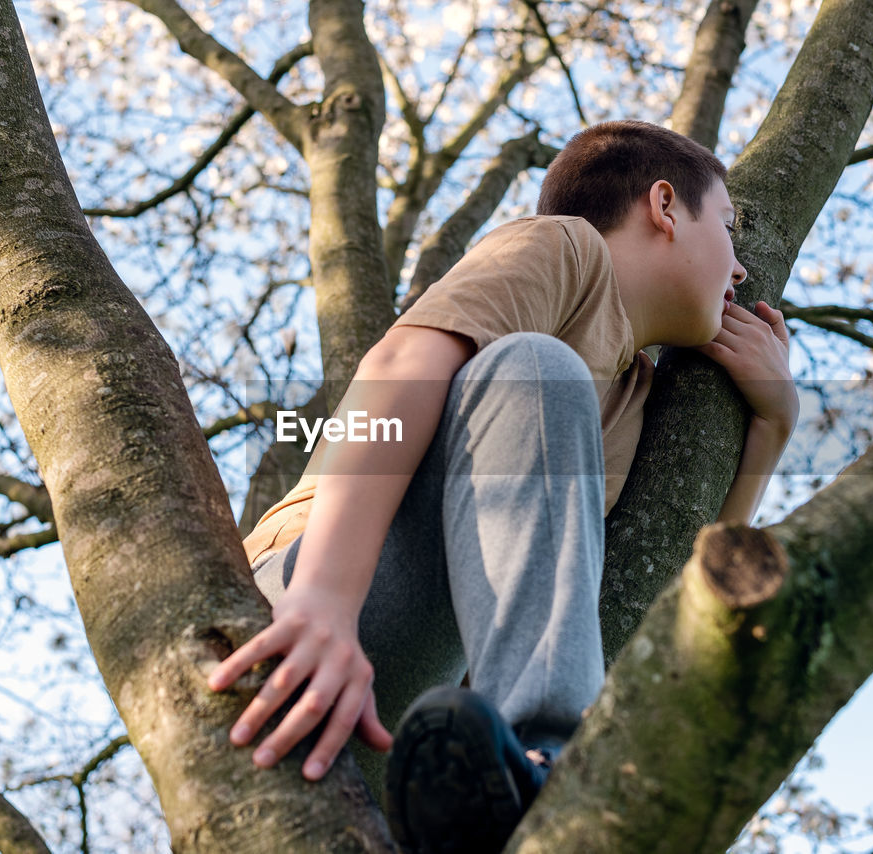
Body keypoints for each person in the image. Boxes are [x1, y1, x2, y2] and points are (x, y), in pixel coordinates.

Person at [208, 120, 798, 852]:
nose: (739, 270)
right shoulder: (564, 249)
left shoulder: (633, 400)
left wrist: (772, 428)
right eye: (730, 231)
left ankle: (511, 782)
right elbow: (402, 365)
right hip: (311, 613)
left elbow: (662, 599)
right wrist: (324, 598)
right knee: (534, 368)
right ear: (665, 206)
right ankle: (553, 758)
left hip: (424, 740)